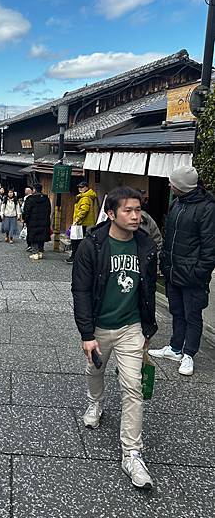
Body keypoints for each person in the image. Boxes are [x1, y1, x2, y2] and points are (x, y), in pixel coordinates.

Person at [72, 187, 158, 489]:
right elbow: (81, 291)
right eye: (128, 211)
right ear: (111, 214)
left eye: (138, 210)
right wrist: (86, 334)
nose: (136, 216)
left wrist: (148, 330)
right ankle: (95, 402)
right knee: (95, 369)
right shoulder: (92, 246)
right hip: (99, 326)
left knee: (132, 385)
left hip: (131, 327)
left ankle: (132, 454)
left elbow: (147, 292)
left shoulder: (146, 245)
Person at [149, 166, 215, 376]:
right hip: (173, 270)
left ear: (182, 186)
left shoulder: (207, 208)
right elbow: (169, 236)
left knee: (192, 315)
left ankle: (189, 354)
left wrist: (200, 272)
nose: (169, 185)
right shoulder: (177, 203)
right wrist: (165, 262)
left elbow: (210, 245)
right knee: (176, 311)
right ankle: (176, 348)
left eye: (173, 183)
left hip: (193, 274)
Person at [66, 181, 98, 264]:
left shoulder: (85, 198)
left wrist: (77, 220)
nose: (80, 188)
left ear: (86, 187)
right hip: (83, 223)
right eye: (79, 187)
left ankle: (75, 257)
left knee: (76, 241)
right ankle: (77, 257)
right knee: (79, 240)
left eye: (82, 187)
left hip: (81, 223)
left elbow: (84, 210)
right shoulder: (84, 196)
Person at [23, 183, 51, 260]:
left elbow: (27, 211)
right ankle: (40, 252)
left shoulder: (30, 199)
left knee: (34, 236)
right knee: (41, 236)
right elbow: (49, 210)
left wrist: (25, 220)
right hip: (44, 221)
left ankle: (35, 253)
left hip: (33, 221)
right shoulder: (46, 198)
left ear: (34, 190)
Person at [21, 187, 33, 251]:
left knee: (29, 231)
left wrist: (24, 218)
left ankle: (30, 245)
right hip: (32, 217)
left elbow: (24, 209)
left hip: (29, 217)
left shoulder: (28, 198)